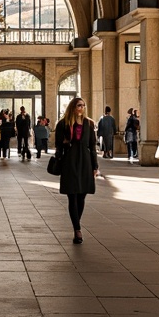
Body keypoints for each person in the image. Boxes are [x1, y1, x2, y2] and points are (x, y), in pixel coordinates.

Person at [54, 96, 99, 244]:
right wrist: (65, 144)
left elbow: (92, 146)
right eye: (79, 106)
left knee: (82, 196)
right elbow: (58, 146)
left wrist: (95, 166)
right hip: (70, 161)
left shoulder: (89, 124)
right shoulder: (63, 124)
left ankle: (76, 224)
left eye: (83, 106)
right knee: (72, 195)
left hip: (85, 162)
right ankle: (77, 230)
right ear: (73, 107)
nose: (81, 108)